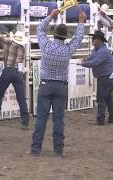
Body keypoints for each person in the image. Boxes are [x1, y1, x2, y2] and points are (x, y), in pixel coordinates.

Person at [30, 9, 86, 156]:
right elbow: (78, 39)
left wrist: (51, 16)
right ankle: (58, 149)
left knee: (41, 118)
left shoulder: (46, 46)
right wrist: (81, 22)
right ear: (64, 36)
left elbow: (40, 29)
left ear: (54, 34)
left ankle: (36, 148)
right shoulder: (67, 49)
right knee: (58, 119)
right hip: (60, 86)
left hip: (45, 84)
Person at [0, 26, 30, 130]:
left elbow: (1, 39)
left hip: (8, 71)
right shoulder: (23, 48)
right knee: (21, 98)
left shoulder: (9, 43)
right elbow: (3, 43)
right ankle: (25, 123)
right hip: (18, 73)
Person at [77, 31, 113, 125]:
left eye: (94, 38)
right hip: (106, 76)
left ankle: (101, 119)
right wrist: (86, 60)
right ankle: (112, 118)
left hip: (105, 77)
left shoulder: (102, 51)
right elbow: (91, 58)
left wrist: (83, 63)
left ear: (99, 40)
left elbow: (95, 62)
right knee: (107, 98)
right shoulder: (98, 49)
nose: (92, 40)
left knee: (102, 98)